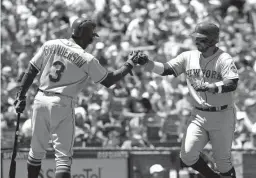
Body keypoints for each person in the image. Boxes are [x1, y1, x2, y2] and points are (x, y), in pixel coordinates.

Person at [13, 17, 148, 178]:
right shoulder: (87, 58)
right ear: (86, 35)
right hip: (62, 102)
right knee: (63, 158)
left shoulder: (50, 44)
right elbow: (109, 80)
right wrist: (129, 64)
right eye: (91, 36)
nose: (91, 40)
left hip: (40, 99)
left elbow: (31, 70)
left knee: (35, 153)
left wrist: (21, 95)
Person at [144, 22, 239, 178]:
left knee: (222, 162)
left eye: (201, 39)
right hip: (199, 115)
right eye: (196, 38)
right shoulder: (188, 56)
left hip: (222, 114)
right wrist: (147, 63)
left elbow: (232, 83)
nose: (196, 42)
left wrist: (210, 87)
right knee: (187, 156)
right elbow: (166, 69)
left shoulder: (224, 58)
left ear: (212, 40)